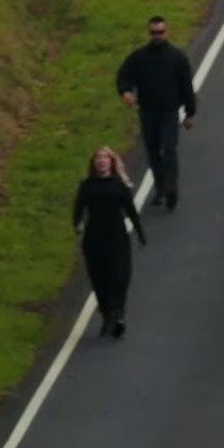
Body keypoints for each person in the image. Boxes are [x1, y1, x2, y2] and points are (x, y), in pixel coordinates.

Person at [116, 15, 198, 210]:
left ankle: (171, 189)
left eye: (160, 32)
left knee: (168, 149)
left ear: (167, 31)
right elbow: (124, 75)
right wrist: (125, 91)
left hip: (169, 112)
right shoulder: (139, 57)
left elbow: (187, 86)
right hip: (147, 112)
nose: (157, 36)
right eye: (153, 33)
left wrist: (190, 112)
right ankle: (160, 189)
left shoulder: (177, 58)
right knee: (153, 151)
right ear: (149, 33)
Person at [72, 146, 146, 341]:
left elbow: (130, 210)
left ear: (112, 163)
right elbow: (78, 208)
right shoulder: (87, 186)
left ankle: (119, 315)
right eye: (98, 158)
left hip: (117, 238)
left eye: (105, 158)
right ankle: (107, 316)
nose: (101, 161)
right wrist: (78, 224)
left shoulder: (119, 185)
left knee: (120, 278)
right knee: (100, 280)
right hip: (94, 239)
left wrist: (140, 233)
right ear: (94, 163)